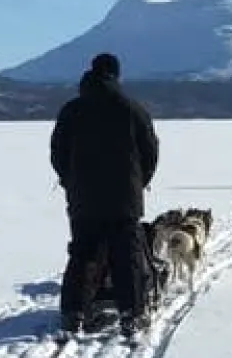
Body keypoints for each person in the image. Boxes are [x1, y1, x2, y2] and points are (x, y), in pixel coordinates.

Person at [50, 52, 160, 338]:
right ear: (117, 75)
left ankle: (73, 314)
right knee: (127, 257)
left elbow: (58, 153)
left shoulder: (72, 110)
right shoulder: (133, 109)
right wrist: (140, 181)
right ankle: (132, 314)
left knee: (83, 254)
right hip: (125, 198)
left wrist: (69, 181)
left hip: (83, 199)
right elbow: (150, 152)